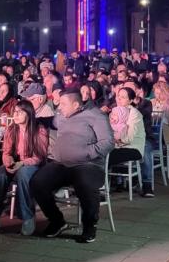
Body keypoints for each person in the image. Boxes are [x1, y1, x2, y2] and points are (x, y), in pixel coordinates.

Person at [30, 90, 114, 243]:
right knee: (38, 182)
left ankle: (89, 225)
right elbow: (51, 122)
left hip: (88, 164)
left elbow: (107, 142)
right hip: (61, 164)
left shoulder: (96, 116)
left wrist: (85, 153)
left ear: (75, 105)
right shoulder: (61, 116)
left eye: (63, 104)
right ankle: (57, 220)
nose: (59, 107)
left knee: (85, 184)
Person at [0, 100, 49, 236]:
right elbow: (6, 151)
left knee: (23, 174)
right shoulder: (11, 129)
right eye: (15, 112)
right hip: (16, 162)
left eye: (20, 112)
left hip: (33, 164)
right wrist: (8, 161)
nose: (15, 115)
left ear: (28, 114)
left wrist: (22, 163)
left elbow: (39, 156)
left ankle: (27, 217)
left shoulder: (39, 130)